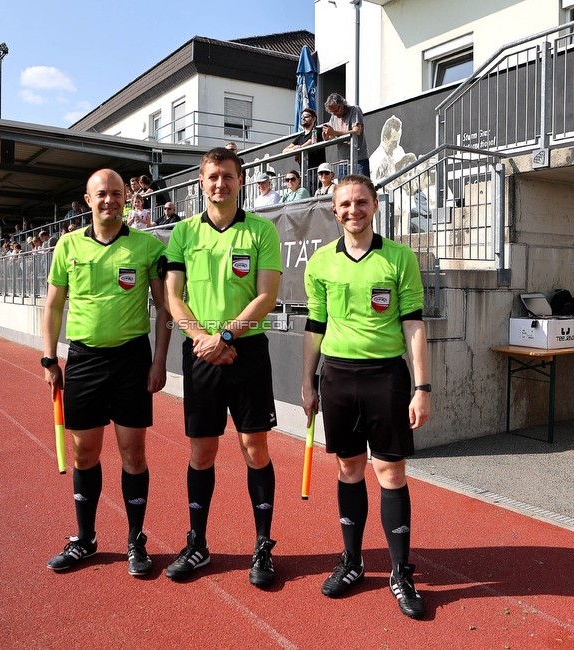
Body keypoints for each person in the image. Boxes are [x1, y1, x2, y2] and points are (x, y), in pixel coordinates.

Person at [301, 174, 430, 619]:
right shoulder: (319, 262)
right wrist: (306, 382)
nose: (352, 210)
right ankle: (353, 561)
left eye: (360, 202)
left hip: (386, 378)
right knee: (348, 467)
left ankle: (399, 571)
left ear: (375, 205)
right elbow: (315, 326)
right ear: (334, 211)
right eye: (344, 205)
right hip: (336, 377)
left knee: (390, 472)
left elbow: (414, 325)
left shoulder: (399, 257)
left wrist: (421, 387)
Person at [42, 168, 171, 577]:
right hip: (83, 360)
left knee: (133, 452)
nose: (110, 200)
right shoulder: (67, 245)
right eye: (102, 194)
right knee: (85, 452)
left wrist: (159, 361)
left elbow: (164, 309)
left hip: (132, 360)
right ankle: (85, 539)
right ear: (87, 200)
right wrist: (50, 359)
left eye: (117, 194)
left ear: (126, 200)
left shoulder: (147, 247)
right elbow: (53, 306)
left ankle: (136, 541)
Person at [163, 147, 283, 588]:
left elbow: (266, 297)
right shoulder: (182, 234)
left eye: (228, 176)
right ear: (201, 181)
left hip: (246, 351)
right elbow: (174, 297)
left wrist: (227, 337)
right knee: (202, 452)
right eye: (212, 176)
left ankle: (263, 546)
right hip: (200, 352)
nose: (220, 183)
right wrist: (204, 340)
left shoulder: (261, 232)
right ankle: (198, 544)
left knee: (255, 449)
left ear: (240, 180)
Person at [321, 93, 371, 178]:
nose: (335, 114)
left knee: (362, 187)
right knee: (343, 188)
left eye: (336, 110)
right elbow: (332, 135)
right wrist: (326, 137)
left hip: (359, 158)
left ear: (342, 105)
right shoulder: (334, 117)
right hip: (343, 161)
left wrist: (334, 133)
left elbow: (357, 130)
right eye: (332, 112)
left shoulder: (355, 110)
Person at [283, 108, 325, 186]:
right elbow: (285, 150)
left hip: (318, 172)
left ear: (314, 119)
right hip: (305, 173)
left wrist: (299, 148)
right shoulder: (300, 136)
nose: (303, 118)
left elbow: (310, 142)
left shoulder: (318, 131)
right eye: (302, 116)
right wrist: (294, 149)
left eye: (306, 116)